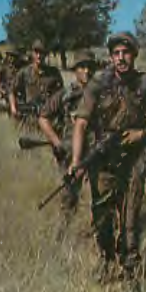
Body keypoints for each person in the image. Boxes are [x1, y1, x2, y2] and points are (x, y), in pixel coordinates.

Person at [71, 32, 146, 278]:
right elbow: (81, 124)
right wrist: (77, 162)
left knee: (130, 214)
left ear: (134, 55)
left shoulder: (145, 84)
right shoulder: (98, 84)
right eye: (116, 53)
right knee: (101, 215)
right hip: (103, 158)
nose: (121, 58)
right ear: (110, 57)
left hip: (133, 158)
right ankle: (107, 260)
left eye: (125, 53)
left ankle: (130, 266)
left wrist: (143, 134)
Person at [38, 50, 97, 215]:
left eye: (90, 67)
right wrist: (57, 141)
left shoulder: (101, 94)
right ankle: (65, 230)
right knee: (69, 194)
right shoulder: (65, 94)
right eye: (82, 67)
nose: (87, 71)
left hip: (96, 149)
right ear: (75, 70)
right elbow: (43, 118)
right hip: (70, 151)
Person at [10, 39, 63, 120]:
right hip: (29, 115)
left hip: (49, 116)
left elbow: (61, 92)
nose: (39, 56)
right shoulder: (24, 72)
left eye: (41, 53)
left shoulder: (54, 73)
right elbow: (11, 91)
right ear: (32, 53)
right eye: (36, 52)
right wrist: (13, 107)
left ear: (45, 55)